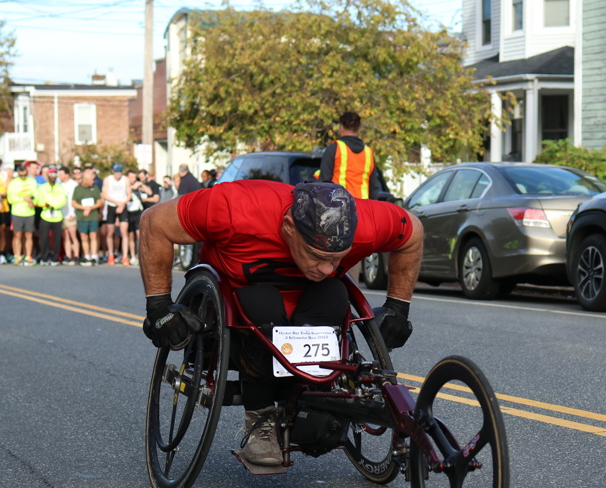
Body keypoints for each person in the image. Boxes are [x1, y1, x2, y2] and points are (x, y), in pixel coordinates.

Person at [139, 180, 422, 467]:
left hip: (312, 305)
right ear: (288, 227)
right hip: (240, 305)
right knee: (262, 303)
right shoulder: (236, 207)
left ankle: (309, 396)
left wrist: (398, 307)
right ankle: (260, 419)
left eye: (336, 259)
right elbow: (155, 222)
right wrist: (159, 306)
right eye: (317, 256)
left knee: (335, 291)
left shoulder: (367, 223)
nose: (327, 268)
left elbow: (413, 232)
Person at [319, 111, 383, 200]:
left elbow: (324, 182)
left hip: (339, 204)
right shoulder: (368, 152)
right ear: (358, 129)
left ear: (341, 127)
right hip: (362, 205)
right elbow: (373, 187)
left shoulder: (335, 148)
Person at [7, 163, 38, 265]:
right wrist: (23, 199)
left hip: (29, 212)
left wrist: (32, 201)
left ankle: (28, 256)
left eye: (25, 175)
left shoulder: (32, 181)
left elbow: (36, 194)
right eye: (21, 175)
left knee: (29, 235)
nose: (23, 177)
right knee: (17, 235)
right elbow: (10, 199)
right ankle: (17, 256)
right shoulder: (13, 183)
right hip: (17, 212)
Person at [71, 168, 103, 266]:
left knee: (93, 235)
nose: (93, 182)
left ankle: (94, 256)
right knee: (83, 236)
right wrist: (84, 208)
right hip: (82, 216)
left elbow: (99, 202)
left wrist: (90, 208)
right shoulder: (78, 189)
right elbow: (73, 203)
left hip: (93, 216)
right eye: (91, 180)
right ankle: (86, 256)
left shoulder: (95, 188)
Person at [36, 167, 67, 265]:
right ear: (48, 176)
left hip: (57, 215)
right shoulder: (42, 187)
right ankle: (44, 258)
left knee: (56, 239)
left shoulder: (60, 187)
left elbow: (63, 200)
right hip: (45, 215)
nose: (53, 176)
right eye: (51, 174)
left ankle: (55, 258)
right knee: (44, 238)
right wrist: (46, 205)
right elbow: (38, 200)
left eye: (54, 174)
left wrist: (54, 206)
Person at [101, 164, 130, 265]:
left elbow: (129, 194)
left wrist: (122, 204)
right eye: (116, 173)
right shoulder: (108, 180)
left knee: (124, 231)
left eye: (120, 173)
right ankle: (110, 255)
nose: (118, 175)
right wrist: (117, 203)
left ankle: (125, 256)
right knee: (110, 232)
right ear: (113, 172)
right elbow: (104, 194)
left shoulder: (125, 180)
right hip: (112, 205)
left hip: (122, 205)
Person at [59, 166, 80, 265]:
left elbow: (76, 200)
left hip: (71, 214)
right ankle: (68, 256)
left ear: (67, 175)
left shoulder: (74, 185)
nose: (59, 176)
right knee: (66, 237)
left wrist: (73, 213)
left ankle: (76, 255)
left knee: (73, 236)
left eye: (61, 174)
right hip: (62, 214)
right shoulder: (59, 185)